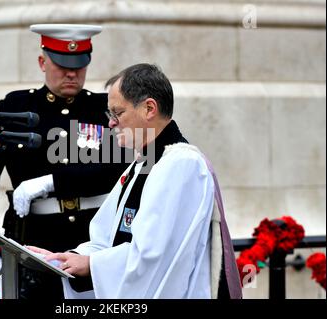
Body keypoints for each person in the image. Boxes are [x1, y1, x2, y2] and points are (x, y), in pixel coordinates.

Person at [31, 63, 242, 298]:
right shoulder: (144, 162)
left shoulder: (182, 164)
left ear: (149, 108)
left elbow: (154, 254)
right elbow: (106, 235)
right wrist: (64, 258)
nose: (110, 123)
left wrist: (92, 264)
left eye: (117, 113)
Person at [0, 24, 128, 299]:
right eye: (62, 65)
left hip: (92, 246)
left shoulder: (103, 110)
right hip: (32, 247)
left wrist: (53, 182)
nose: (72, 73)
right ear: (42, 62)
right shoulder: (15, 109)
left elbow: (120, 168)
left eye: (79, 65)